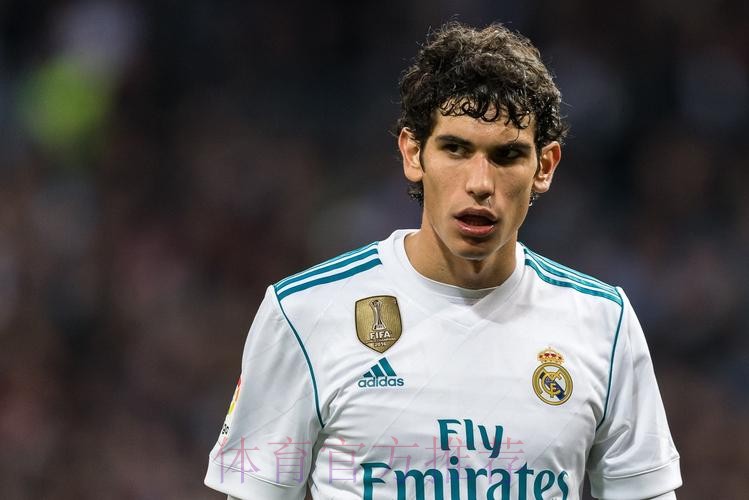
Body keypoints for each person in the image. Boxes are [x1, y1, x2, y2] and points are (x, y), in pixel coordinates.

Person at [204, 22, 681, 500]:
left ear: (545, 165)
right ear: (414, 153)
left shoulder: (604, 323)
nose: (480, 183)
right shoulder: (304, 313)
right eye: (456, 149)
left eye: (507, 155)